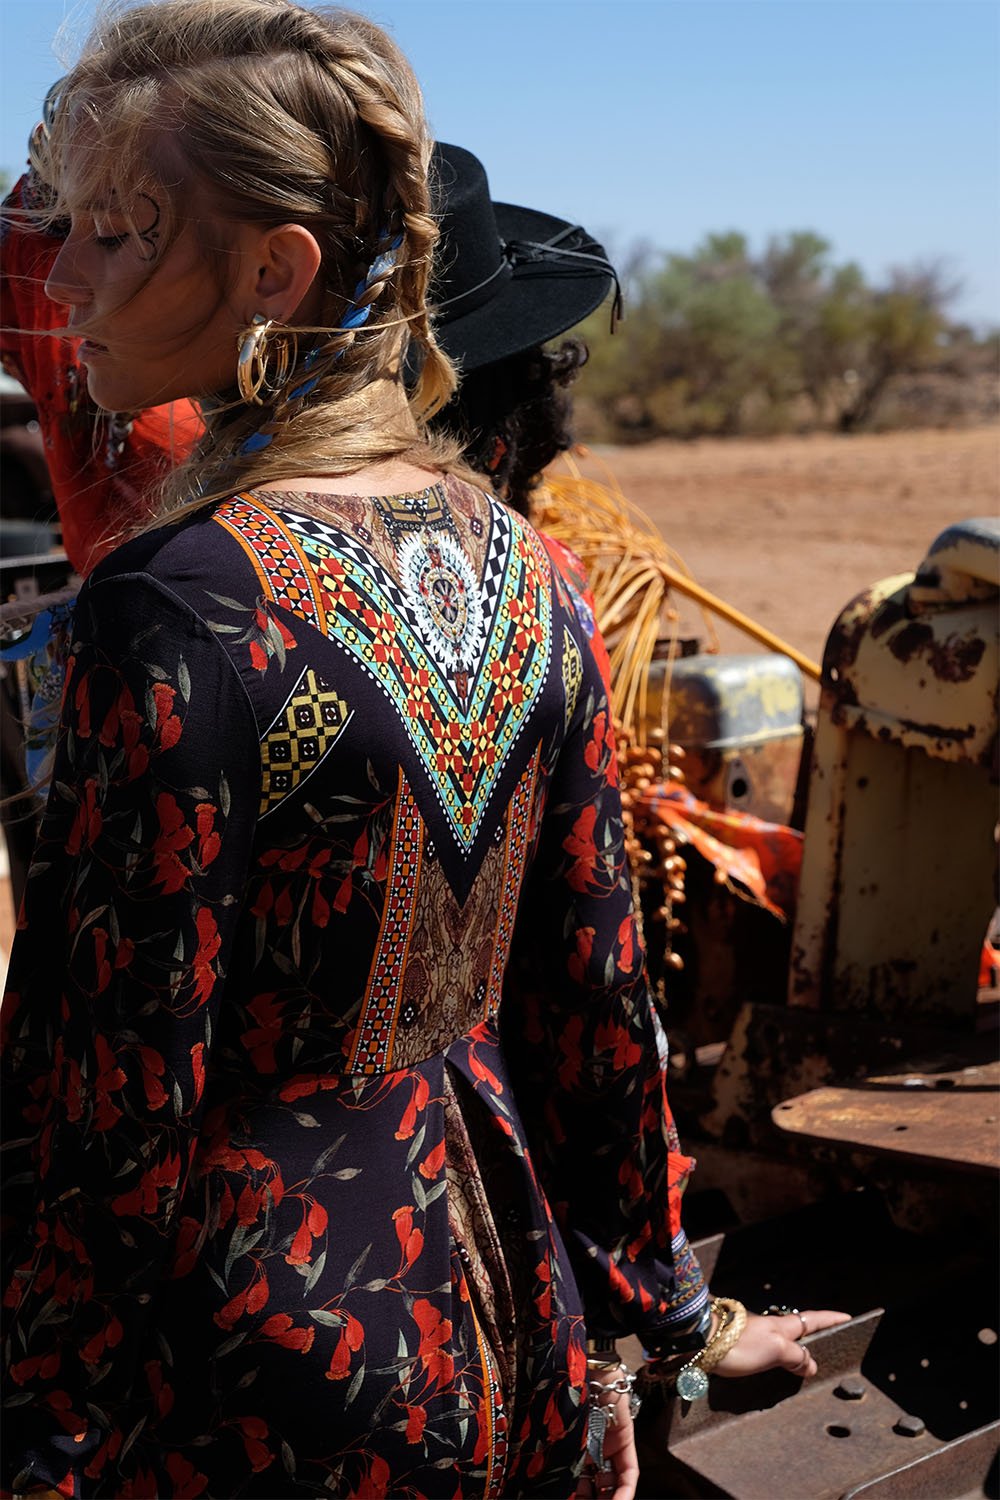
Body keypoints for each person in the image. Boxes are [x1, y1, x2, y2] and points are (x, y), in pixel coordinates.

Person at [0, 23, 846, 1490]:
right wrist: (663, 1320)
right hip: (505, 1329)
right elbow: (598, 1008)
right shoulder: (528, 569)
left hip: (257, 1379)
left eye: (118, 232)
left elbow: (113, 1098)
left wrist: (47, 1435)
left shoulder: (185, 602)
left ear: (275, 273)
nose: (64, 278)